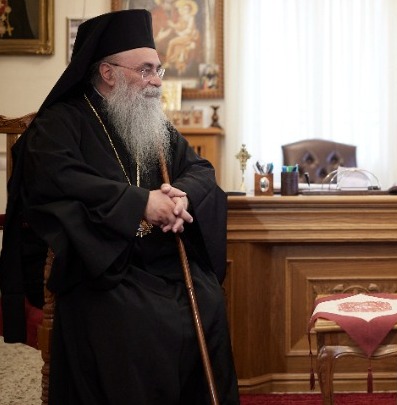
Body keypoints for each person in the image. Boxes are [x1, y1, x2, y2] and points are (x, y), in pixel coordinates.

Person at [0, 9, 240, 405]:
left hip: (159, 259)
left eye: (158, 70)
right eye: (146, 70)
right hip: (102, 264)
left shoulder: (152, 124)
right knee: (137, 318)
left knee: (207, 296)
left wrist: (181, 195)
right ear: (108, 73)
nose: (157, 81)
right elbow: (58, 178)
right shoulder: (61, 122)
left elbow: (200, 169)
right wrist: (141, 203)